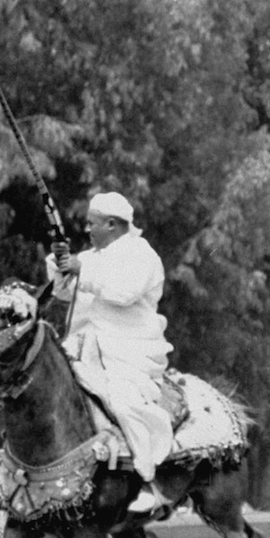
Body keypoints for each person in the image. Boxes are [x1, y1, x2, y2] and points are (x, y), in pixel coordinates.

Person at [47, 191, 174, 512]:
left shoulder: (142, 255)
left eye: (93, 224)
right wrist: (60, 263)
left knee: (123, 402)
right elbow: (64, 292)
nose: (87, 230)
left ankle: (148, 480)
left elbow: (123, 293)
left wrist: (80, 270)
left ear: (113, 224)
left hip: (130, 350)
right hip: (85, 346)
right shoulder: (91, 257)